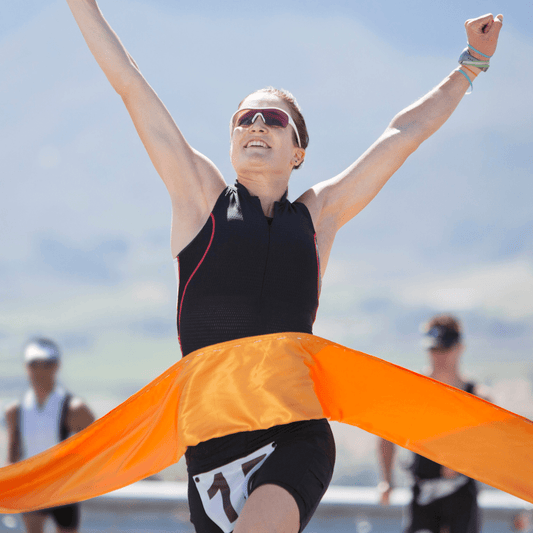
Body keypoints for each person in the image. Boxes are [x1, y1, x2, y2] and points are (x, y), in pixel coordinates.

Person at [64, 2, 503, 532]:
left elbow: (402, 134)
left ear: (297, 150)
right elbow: (131, 87)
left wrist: (471, 63)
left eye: (273, 119)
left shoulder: (319, 216)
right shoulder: (200, 197)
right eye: (243, 118)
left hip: (294, 435)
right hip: (211, 453)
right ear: (230, 142)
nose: (256, 124)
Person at [377, 315, 491, 533]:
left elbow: (492, 450)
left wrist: (463, 460)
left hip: (461, 498)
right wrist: (386, 481)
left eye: (445, 349)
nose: (439, 356)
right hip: (423, 495)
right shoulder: (411, 394)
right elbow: (384, 434)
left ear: (460, 348)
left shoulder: (479, 398)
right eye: (434, 349)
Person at [4, 338, 95, 533]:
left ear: (56, 366)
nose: (40, 371)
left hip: (64, 487)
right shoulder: (15, 411)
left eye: (46, 364)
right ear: (27, 367)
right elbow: (13, 455)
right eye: (34, 365)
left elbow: (98, 445)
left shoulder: (73, 408)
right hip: (33, 486)